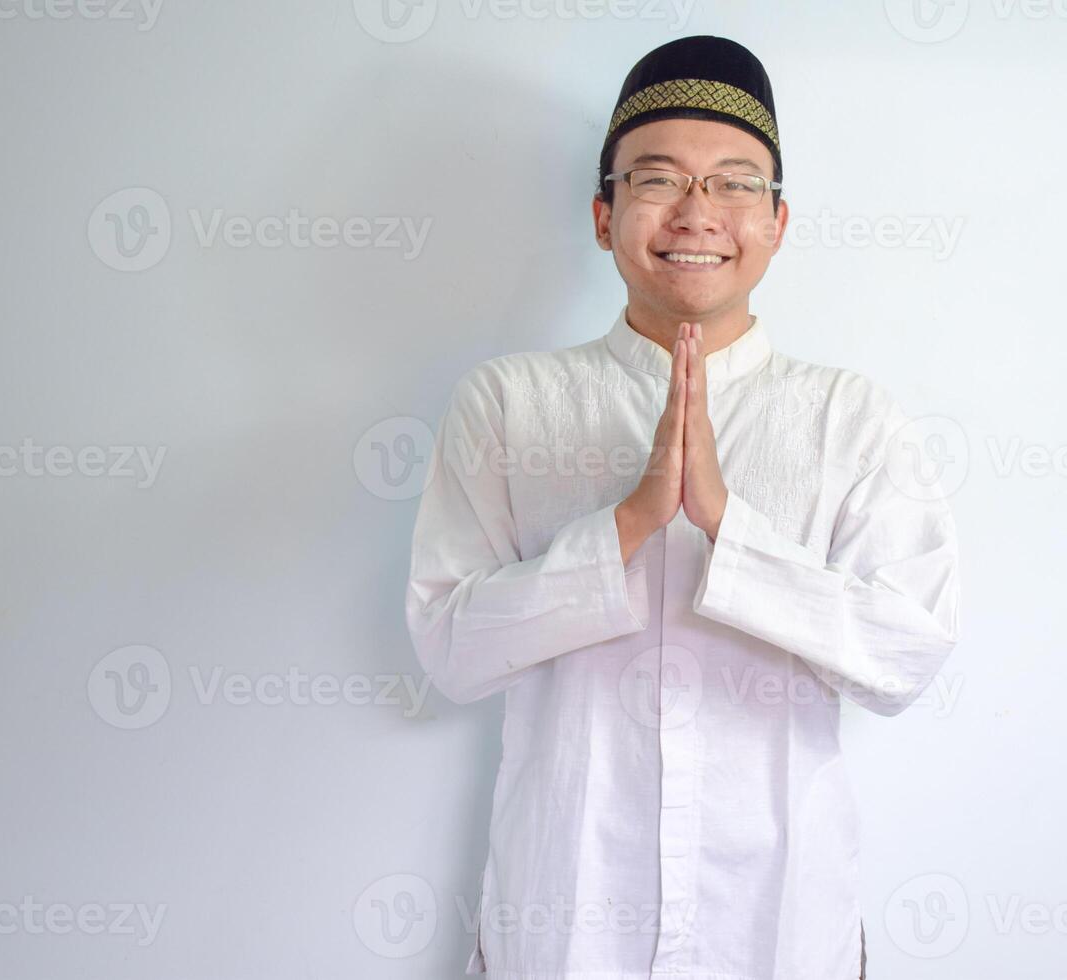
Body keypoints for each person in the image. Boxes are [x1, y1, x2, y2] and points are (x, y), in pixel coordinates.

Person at [405, 34, 960, 979]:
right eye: (657, 179)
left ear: (778, 222)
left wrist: (726, 529)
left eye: (737, 183)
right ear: (602, 212)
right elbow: (450, 652)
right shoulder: (508, 402)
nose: (698, 211)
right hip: (570, 920)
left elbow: (907, 657)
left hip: (778, 927)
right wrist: (624, 526)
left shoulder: (848, 416)